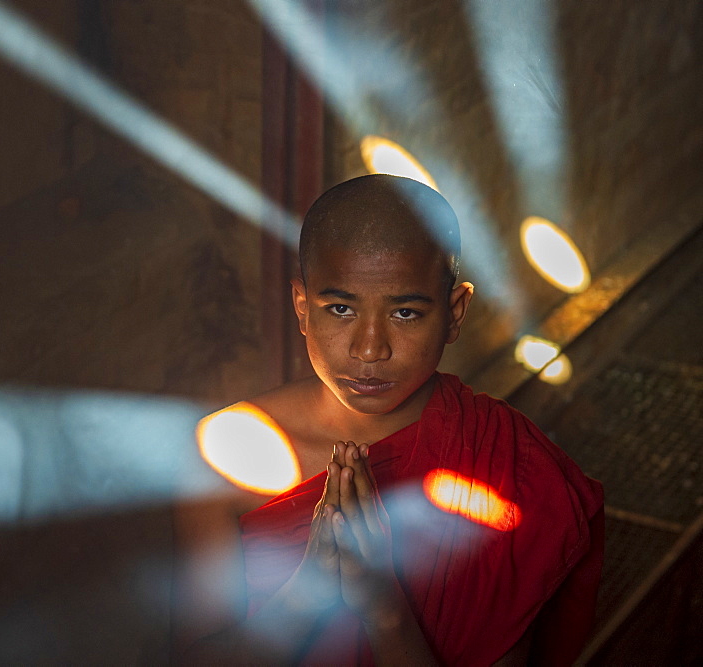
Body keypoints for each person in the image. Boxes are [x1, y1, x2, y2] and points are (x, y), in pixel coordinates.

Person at [171, 174, 604, 665]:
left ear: (454, 311)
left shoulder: (508, 464)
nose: (370, 349)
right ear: (301, 307)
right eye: (340, 309)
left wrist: (384, 606)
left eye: (405, 313)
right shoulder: (224, 453)